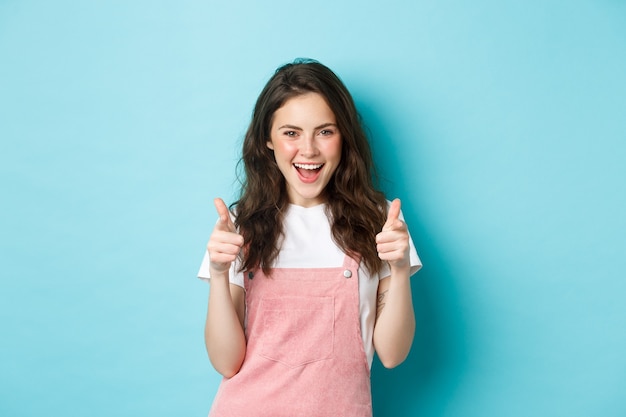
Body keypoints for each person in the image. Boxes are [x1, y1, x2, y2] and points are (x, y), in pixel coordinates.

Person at [197, 59, 422, 417]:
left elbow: (393, 354)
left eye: (324, 131)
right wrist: (220, 273)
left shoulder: (380, 221)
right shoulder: (239, 225)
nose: (309, 150)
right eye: (291, 133)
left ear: (344, 136)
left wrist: (398, 269)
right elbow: (226, 362)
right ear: (267, 140)